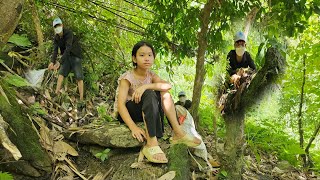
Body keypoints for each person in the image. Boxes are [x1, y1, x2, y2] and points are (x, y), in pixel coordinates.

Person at [115, 41, 201, 164]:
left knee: (164, 92)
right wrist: (133, 127)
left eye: (150, 55)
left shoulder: (151, 75)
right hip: (130, 111)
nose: (146, 59)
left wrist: (145, 86)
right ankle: (151, 144)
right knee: (150, 93)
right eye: (142, 55)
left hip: (148, 109)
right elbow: (120, 105)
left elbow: (167, 85)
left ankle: (178, 133)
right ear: (134, 58)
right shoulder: (127, 78)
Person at [48, 17, 84, 101]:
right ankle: (56, 94)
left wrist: (59, 62)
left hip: (75, 56)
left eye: (59, 25)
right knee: (61, 74)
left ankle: (81, 99)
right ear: (54, 28)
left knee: (79, 77)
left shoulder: (68, 33)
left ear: (62, 25)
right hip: (66, 57)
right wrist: (52, 62)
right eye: (55, 26)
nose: (57, 28)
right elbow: (55, 50)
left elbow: (68, 48)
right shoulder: (56, 38)